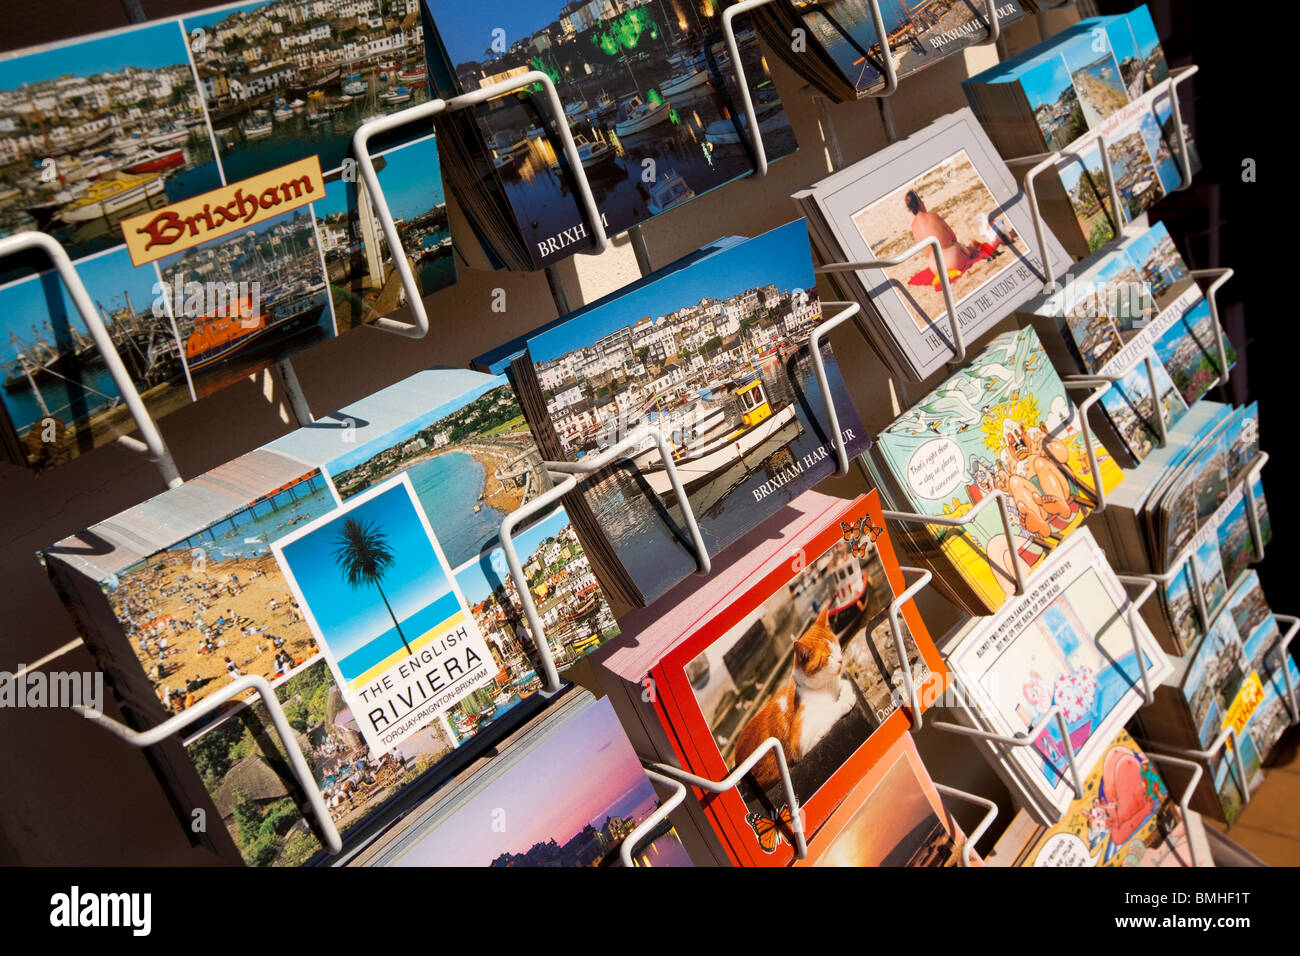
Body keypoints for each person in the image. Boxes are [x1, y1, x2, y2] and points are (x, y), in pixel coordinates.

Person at [905, 189, 976, 275]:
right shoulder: (932, 216)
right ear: (920, 203)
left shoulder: (913, 227)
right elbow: (953, 236)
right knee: (968, 248)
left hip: (935, 268)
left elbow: (925, 253)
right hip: (953, 260)